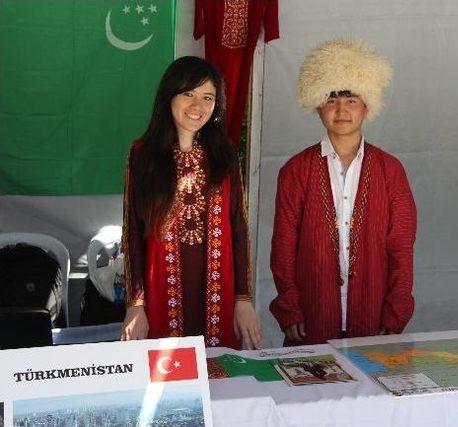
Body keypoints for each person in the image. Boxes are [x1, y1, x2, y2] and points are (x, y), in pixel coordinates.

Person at [270, 38, 417, 345]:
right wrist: (290, 308)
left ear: (367, 106)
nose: (341, 110)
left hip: (375, 319)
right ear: (317, 105)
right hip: (311, 319)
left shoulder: (391, 171)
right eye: (331, 99)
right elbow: (284, 247)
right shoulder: (296, 171)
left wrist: (396, 310)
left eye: (351, 99)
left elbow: (401, 247)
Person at [120, 56, 261, 349]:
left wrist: (243, 299)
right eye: (188, 94)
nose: (197, 106)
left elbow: (239, 229)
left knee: (221, 381)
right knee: (168, 382)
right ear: (169, 95)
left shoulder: (225, 155)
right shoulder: (142, 155)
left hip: (218, 294)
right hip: (160, 294)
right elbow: (133, 231)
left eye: (208, 97)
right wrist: (136, 304)